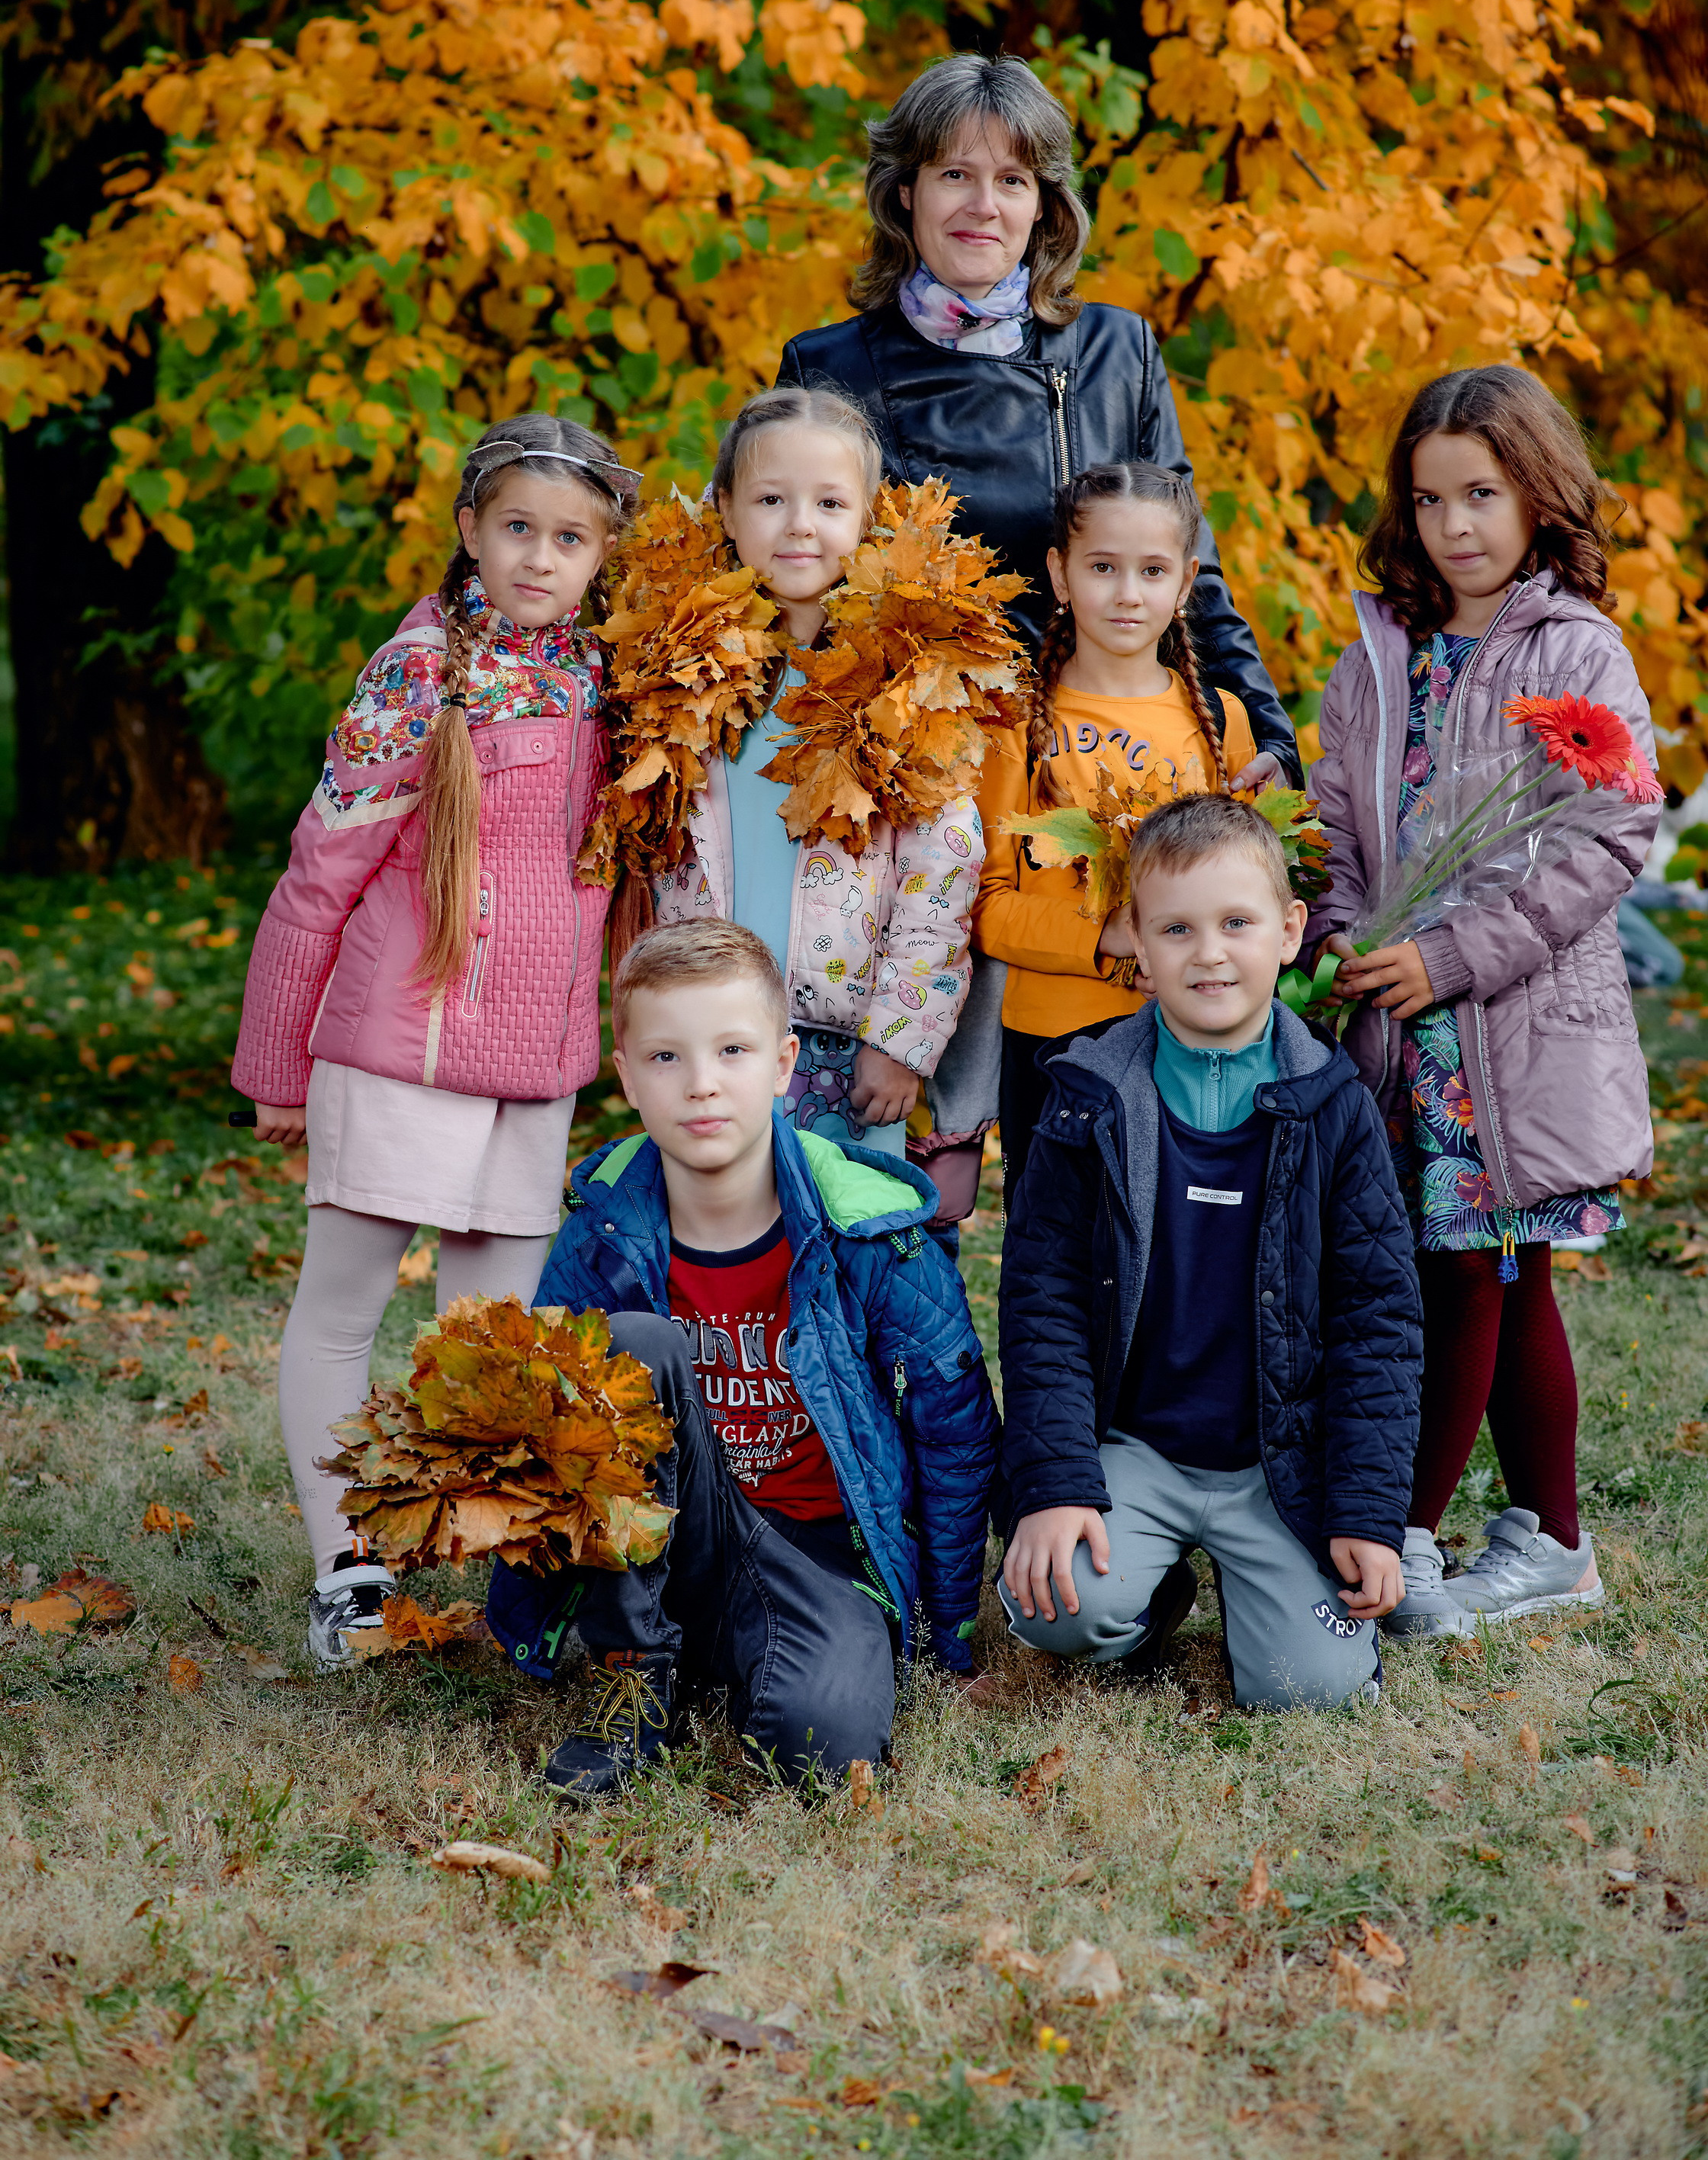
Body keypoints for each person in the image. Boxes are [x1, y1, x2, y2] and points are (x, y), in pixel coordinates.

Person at [773, 50, 1298, 1194]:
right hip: (919, 786)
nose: (983, 203)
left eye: (1014, 181)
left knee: (1112, 1136)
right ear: (903, 191)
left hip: (1093, 770)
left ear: (1048, 204)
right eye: (953, 173)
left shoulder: (1114, 349)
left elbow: (1183, 564)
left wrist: (1258, 721)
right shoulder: (833, 365)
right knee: (913, 1152)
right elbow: (794, 574)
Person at [231, 415, 636, 1670]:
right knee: (343, 1305)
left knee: (493, 1338)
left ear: (601, 555)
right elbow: (322, 871)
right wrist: (277, 1066)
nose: (539, 556)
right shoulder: (419, 671)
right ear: (471, 530)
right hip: (395, 1047)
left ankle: (492, 1573)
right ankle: (345, 1566)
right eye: (517, 528)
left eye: (569, 538)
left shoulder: (612, 683)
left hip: (535, 1067)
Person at [484, 920, 1000, 1798]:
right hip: (662, 1542)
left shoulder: (867, 1228)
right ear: (628, 1080)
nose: (702, 1085)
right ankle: (635, 1669)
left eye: (731, 1050)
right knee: (624, 1349)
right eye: (666, 1059)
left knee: (826, 1752)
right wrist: (526, 1609)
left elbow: (951, 1427)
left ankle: (761, 1659)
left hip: (819, 1550)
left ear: (783, 1063)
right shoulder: (602, 1226)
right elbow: (547, 1434)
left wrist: (947, 1632)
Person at [1308, 366, 1660, 1636]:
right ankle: (1551, 1540)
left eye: (1481, 493)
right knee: (1479, 1278)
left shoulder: (1576, 651)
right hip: (1397, 1031)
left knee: (1474, 1273)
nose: (1456, 524)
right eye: (1430, 498)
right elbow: (1335, 824)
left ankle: (1401, 1542)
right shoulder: (1379, 653)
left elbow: (1610, 833)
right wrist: (1350, 932)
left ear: (1537, 493)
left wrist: (1452, 958)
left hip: (1510, 1030)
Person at [997, 794, 1422, 1709]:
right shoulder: (1086, 1099)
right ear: (1137, 952)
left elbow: (1377, 1320)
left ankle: (1265, 1589)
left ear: (1287, 931)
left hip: (1276, 1460)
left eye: (1236, 922)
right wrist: (1054, 1486)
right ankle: (1146, 1590)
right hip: (1135, 1446)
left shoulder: (1332, 1106)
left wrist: (1364, 1513)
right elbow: (1044, 1303)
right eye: (1176, 929)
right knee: (1053, 1612)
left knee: (1313, 1694)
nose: (1209, 952)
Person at [648, 387, 982, 1204]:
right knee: (715, 1241)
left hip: (846, 1045)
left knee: (842, 1238)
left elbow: (941, 875)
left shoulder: (905, 686)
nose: (800, 524)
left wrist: (899, 1040)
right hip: (709, 1034)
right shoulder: (683, 678)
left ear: (868, 519)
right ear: (726, 510)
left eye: (829, 502)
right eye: (770, 499)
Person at [974, 462, 1262, 1196]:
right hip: (1056, 1040)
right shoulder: (1013, 719)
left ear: (1186, 579)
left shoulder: (1219, 721)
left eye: (1153, 570)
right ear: (1060, 574)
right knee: (1059, 1259)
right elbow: (984, 904)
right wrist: (1100, 933)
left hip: (1192, 1037)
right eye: (1103, 567)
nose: (1128, 594)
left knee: (1180, 1252)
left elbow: (1246, 894)